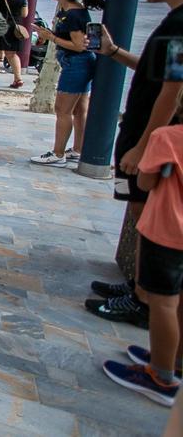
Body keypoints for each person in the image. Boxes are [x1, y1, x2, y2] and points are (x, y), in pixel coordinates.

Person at [87, 0, 183, 326]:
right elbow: (157, 72)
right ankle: (140, 289)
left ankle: (145, 299)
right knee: (141, 213)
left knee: (147, 216)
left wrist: (145, 145)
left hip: (150, 135)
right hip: (146, 130)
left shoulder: (179, 26)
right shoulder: (174, 22)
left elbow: (171, 89)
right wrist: (115, 53)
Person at [101, 106, 183, 407]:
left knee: (163, 302)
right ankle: (174, 359)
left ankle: (160, 376)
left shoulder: (166, 137)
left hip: (167, 231)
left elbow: (146, 182)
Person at [26, 0, 104, 167]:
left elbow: (78, 46)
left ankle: (58, 152)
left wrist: (51, 37)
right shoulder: (71, 11)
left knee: (63, 109)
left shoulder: (73, 15)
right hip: (77, 63)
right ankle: (77, 149)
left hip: (76, 63)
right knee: (78, 109)